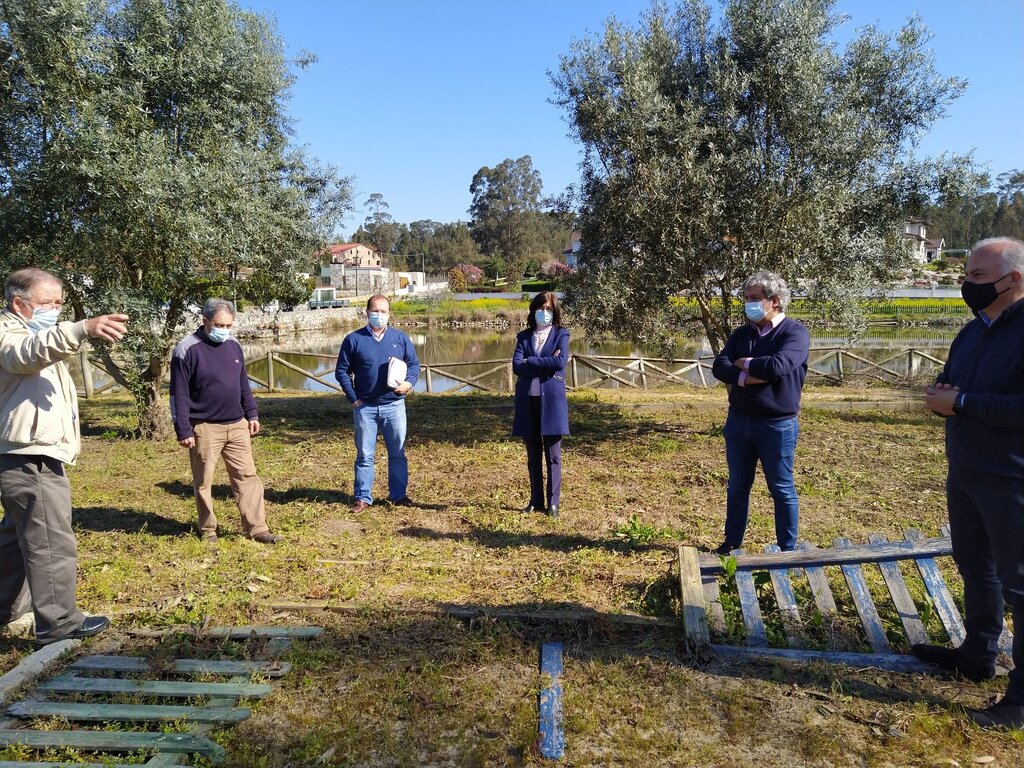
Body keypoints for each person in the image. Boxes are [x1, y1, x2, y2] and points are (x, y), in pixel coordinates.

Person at [915, 236, 1024, 729]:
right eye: (966, 275)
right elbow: (953, 381)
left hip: (1012, 478)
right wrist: (943, 393)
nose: (966, 285)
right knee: (976, 567)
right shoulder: (973, 331)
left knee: (1021, 586)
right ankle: (977, 655)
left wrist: (960, 404)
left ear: (1013, 280)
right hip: (966, 472)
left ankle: (1020, 698)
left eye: (977, 277)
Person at [0, 267, 128, 645]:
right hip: (27, 453)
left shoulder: (35, 331)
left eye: (59, 303)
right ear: (18, 303)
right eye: (47, 303)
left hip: (29, 450)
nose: (55, 310)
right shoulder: (9, 334)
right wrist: (81, 328)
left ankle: (5, 608)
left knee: (15, 536)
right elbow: (24, 356)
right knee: (50, 538)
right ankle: (58, 622)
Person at [711, 271, 810, 555]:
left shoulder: (795, 333)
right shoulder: (742, 334)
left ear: (775, 301)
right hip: (739, 422)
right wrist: (745, 376)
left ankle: (787, 549)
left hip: (777, 426)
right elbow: (720, 367)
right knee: (738, 487)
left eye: (754, 299)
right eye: (746, 299)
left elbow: (779, 365)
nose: (748, 304)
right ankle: (731, 545)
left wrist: (742, 364)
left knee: (781, 488)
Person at [170, 298, 280, 545]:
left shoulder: (233, 345)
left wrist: (251, 414)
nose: (225, 330)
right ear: (205, 321)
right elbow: (179, 394)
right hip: (204, 427)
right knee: (204, 481)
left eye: (229, 325)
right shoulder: (186, 349)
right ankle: (208, 529)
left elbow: (243, 383)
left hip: (237, 424)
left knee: (247, 476)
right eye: (220, 324)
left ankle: (257, 528)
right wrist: (183, 429)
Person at [335, 295, 420, 514]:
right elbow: (342, 371)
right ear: (367, 312)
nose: (379, 315)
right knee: (365, 455)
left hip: (395, 406)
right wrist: (353, 398)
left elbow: (414, 365)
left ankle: (398, 495)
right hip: (366, 408)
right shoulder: (353, 339)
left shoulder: (400, 338)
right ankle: (362, 497)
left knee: (398, 454)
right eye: (375, 311)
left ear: (389, 314)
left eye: (383, 311)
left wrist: (409, 384)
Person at [512, 291, 570, 518]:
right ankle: (535, 500)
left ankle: (553, 503)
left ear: (554, 312)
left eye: (548, 309)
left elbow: (559, 362)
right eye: (540, 308)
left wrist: (531, 361)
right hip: (528, 402)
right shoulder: (524, 337)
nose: (544, 313)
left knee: (553, 455)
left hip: (553, 403)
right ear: (533, 310)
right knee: (533, 454)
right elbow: (517, 366)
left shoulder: (561, 334)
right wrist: (542, 363)